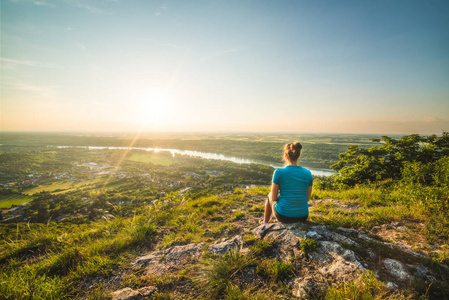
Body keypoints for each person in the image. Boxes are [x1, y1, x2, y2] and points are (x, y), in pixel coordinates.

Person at [264, 142, 313, 224]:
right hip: (303, 216)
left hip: (283, 216)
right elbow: (307, 198)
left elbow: (273, 198)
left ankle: (265, 223)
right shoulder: (308, 173)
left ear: (285, 155)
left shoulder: (279, 172)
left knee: (269, 195)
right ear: (298, 156)